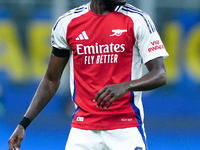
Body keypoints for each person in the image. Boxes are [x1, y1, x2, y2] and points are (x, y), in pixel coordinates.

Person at [8, 0, 169, 150]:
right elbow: (51, 79)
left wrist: (126, 85)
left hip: (126, 128)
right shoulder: (68, 23)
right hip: (82, 131)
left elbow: (160, 74)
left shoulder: (138, 20)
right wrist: (23, 124)